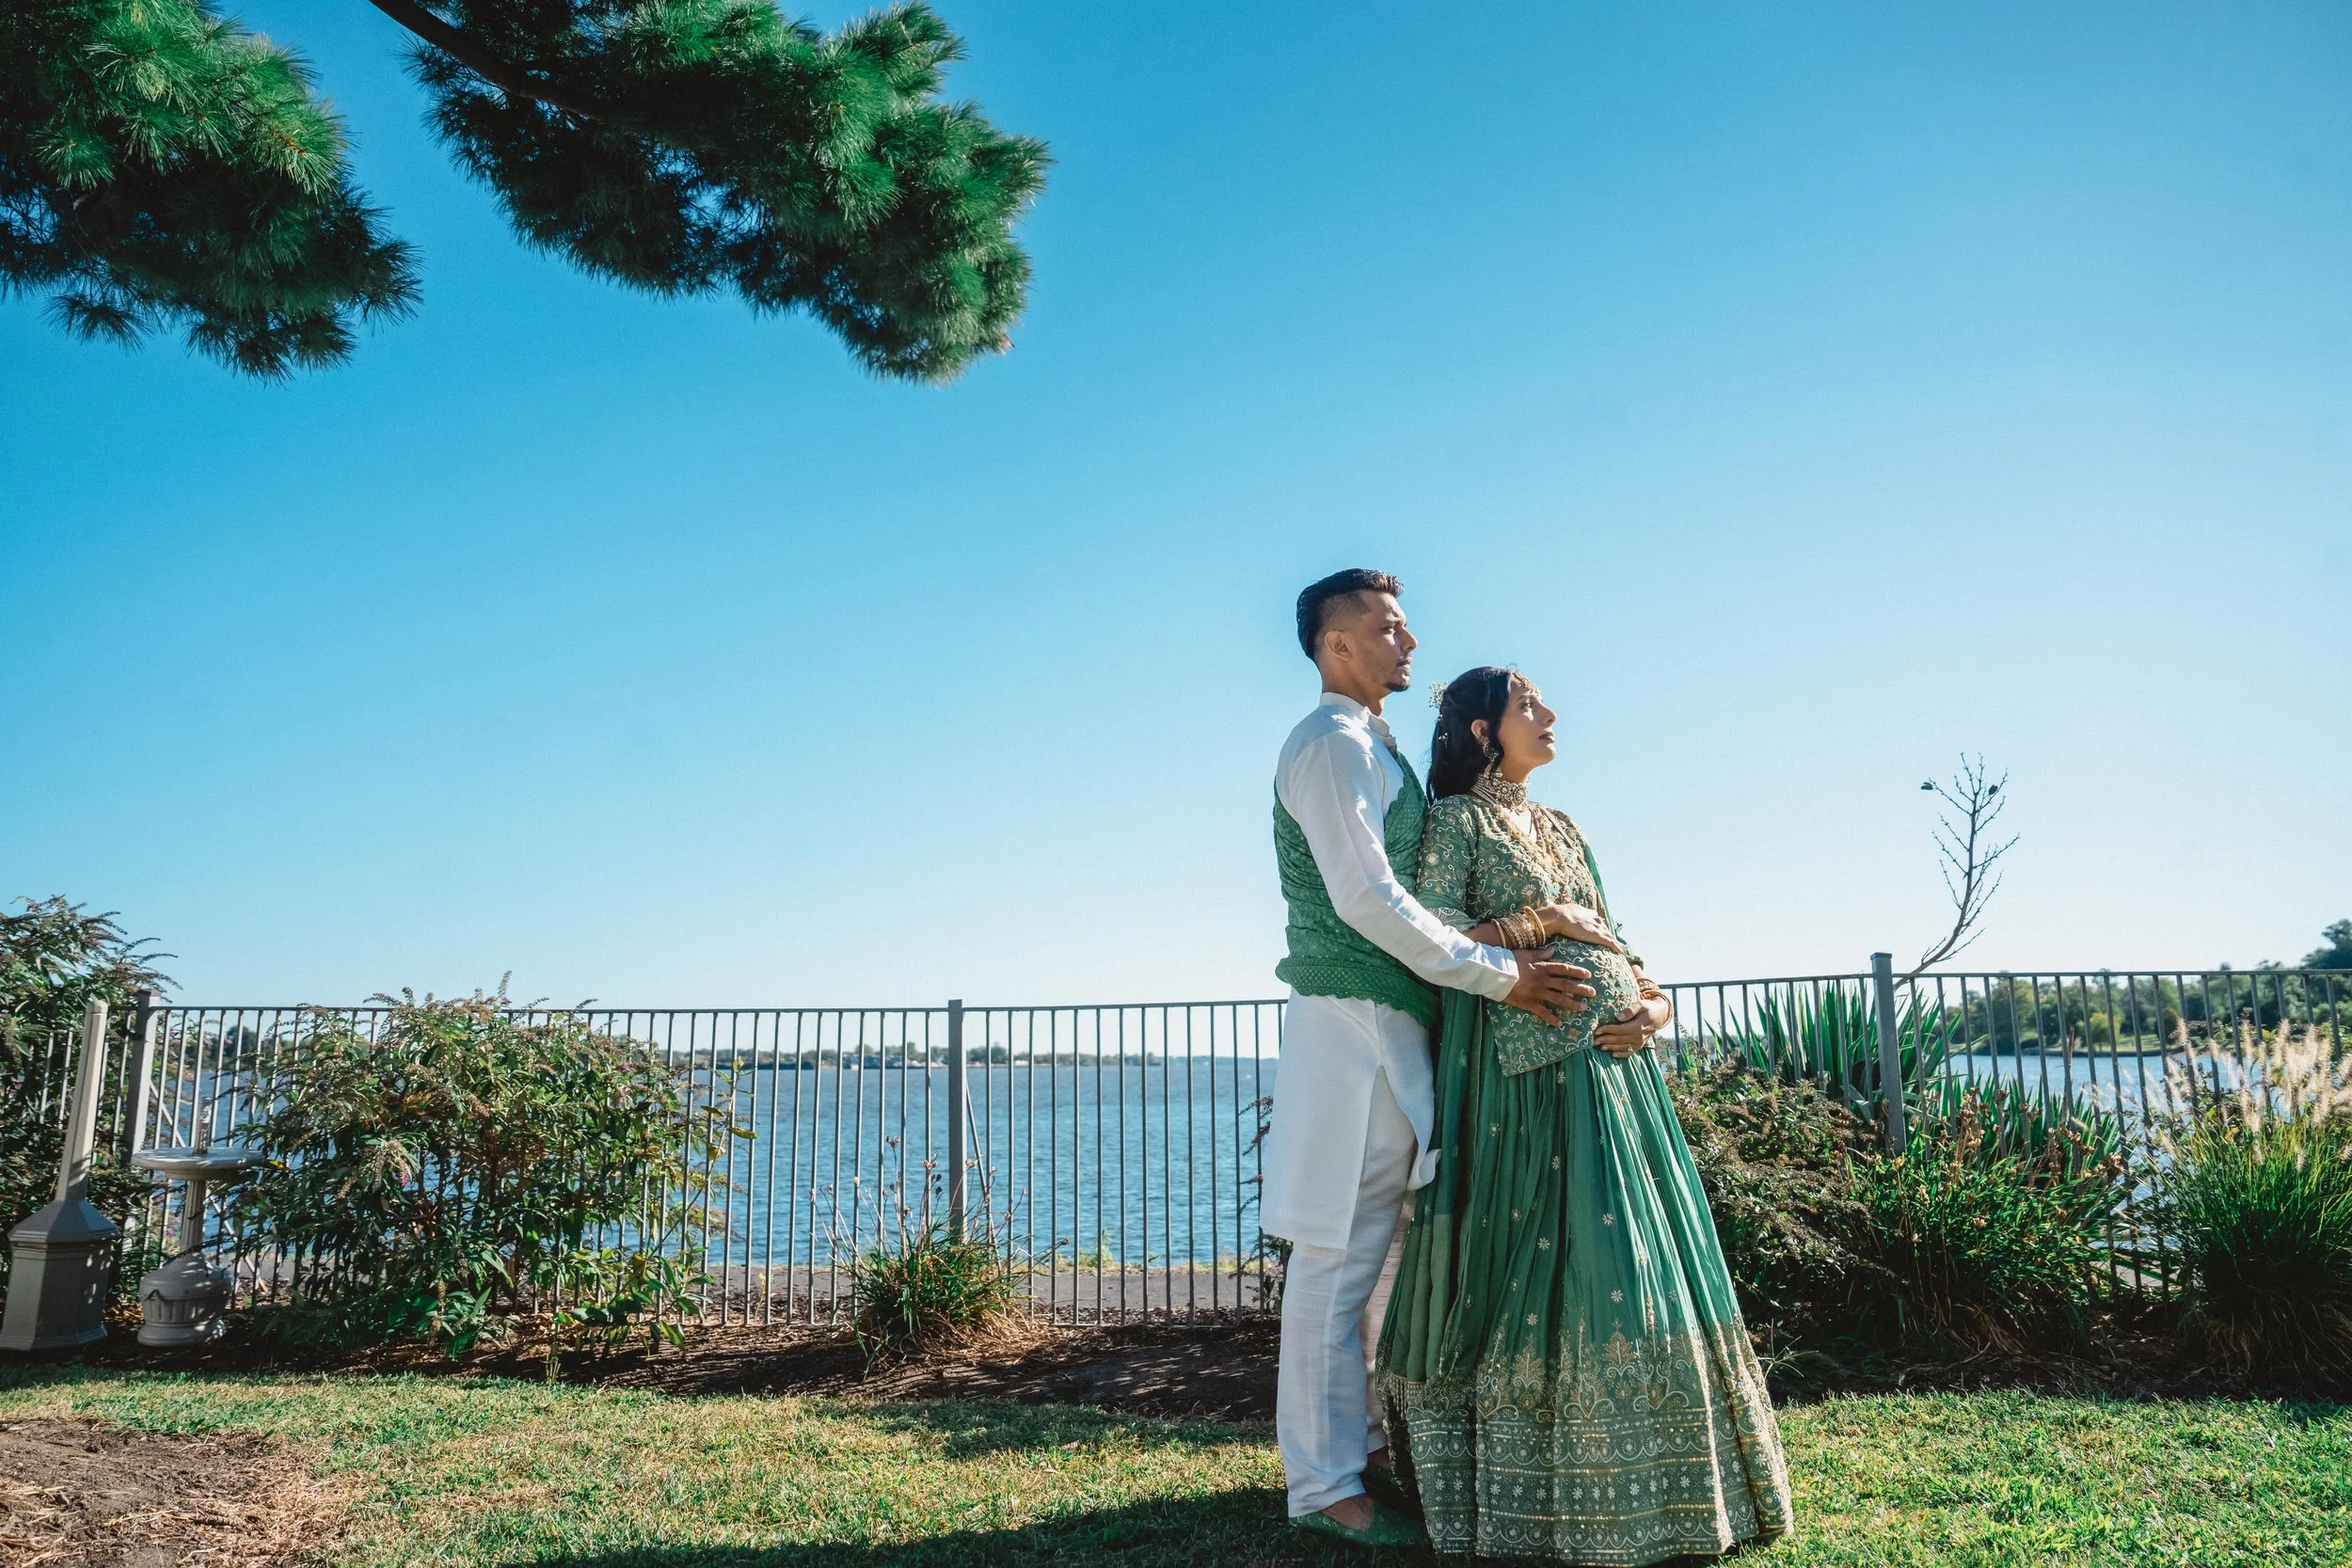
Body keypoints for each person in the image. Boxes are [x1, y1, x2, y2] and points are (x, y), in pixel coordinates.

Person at [1375, 666, 1794, 1564]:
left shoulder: (1564, 827)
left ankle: (1671, 1479)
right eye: (1529, 705)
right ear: (1484, 730)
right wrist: (1537, 919)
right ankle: (1538, 1490)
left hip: (1614, 1074)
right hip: (1521, 1076)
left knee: (1633, 1254)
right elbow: (1431, 932)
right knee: (1548, 1255)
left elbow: (1620, 939)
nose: (1550, 715)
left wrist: (1653, 1007)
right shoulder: (1456, 823)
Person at [1266, 573, 1597, 1548]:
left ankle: (1355, 1449)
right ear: (1336, 645)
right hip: (1352, 1022)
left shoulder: (1372, 746)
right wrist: (1500, 972)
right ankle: (1325, 1485)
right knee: (1335, 1255)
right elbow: (1368, 899)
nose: (1408, 641)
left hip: (1389, 1018)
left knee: (1370, 1260)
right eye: (1386, 627)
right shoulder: (1329, 744)